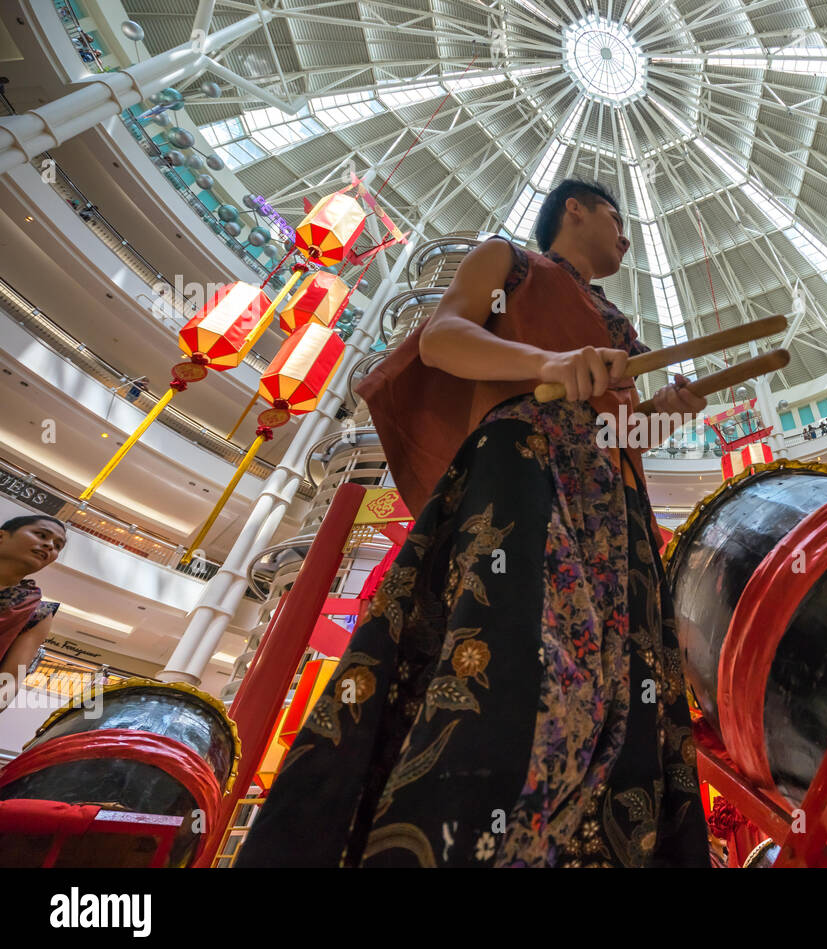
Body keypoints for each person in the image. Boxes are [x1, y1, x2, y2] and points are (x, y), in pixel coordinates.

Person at [238, 179, 710, 868]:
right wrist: (549, 363)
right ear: (572, 208)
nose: (627, 235)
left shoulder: (618, 323)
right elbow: (444, 338)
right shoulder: (510, 264)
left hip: (614, 508)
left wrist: (670, 407)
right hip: (528, 463)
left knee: (618, 692)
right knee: (512, 655)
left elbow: (623, 426)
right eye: (616, 215)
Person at [0, 515, 65, 711]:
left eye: (57, 545)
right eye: (41, 535)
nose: (49, 546)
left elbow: (8, 683)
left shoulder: (38, 612)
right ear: (2, 536)